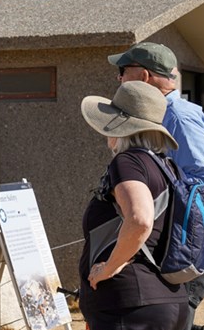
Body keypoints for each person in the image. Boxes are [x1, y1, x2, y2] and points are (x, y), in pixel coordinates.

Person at [108, 42, 204, 330]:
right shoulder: (164, 113)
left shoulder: (178, 117)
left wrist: (147, 200)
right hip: (172, 254)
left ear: (145, 76)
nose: (120, 78)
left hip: (185, 258)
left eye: (123, 71)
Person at [79, 80, 189, 330]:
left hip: (129, 306)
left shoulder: (128, 162)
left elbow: (140, 219)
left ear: (120, 126)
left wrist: (110, 267)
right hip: (169, 299)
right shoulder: (168, 168)